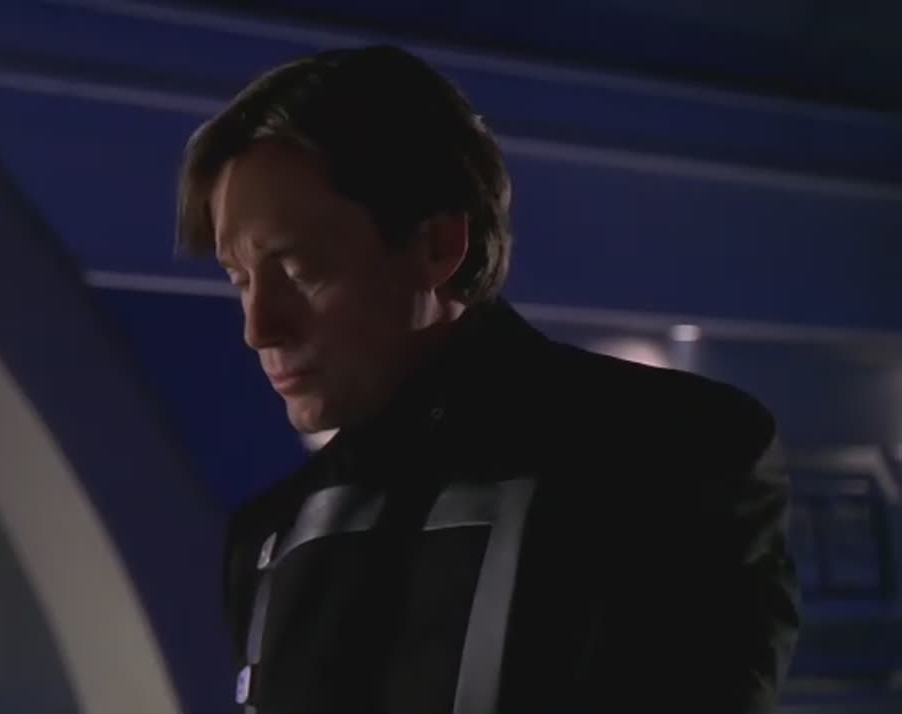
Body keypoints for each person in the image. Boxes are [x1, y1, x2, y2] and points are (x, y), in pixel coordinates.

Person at [175, 45, 800, 714]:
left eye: (300, 271)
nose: (259, 327)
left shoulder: (673, 456)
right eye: (240, 280)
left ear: (439, 246)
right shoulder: (269, 533)